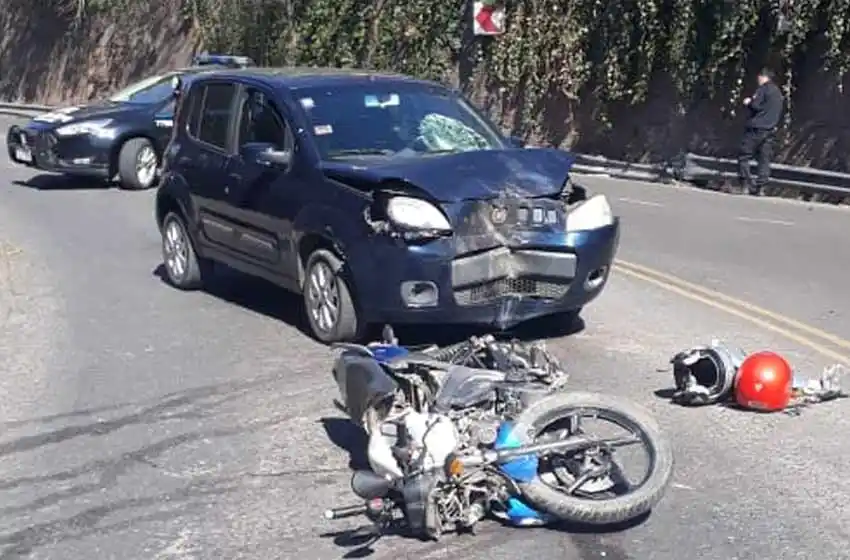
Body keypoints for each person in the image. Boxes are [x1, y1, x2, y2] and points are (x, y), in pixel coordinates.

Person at [738, 67, 784, 196]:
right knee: (764, 159)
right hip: (769, 130)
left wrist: (748, 102)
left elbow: (756, 106)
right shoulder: (778, 92)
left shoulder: (762, 90)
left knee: (744, 156)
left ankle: (745, 185)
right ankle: (761, 187)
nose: (757, 80)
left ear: (763, 77)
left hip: (755, 129)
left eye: (758, 77)